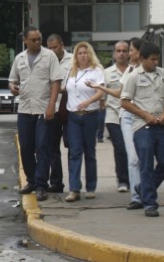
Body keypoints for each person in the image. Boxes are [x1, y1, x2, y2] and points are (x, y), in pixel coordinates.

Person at [120, 41, 164, 218]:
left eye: (157, 59)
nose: (155, 62)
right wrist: (145, 114)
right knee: (145, 165)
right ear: (143, 58)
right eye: (152, 59)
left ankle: (142, 188)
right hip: (142, 126)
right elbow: (124, 102)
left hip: (162, 125)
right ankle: (150, 203)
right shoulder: (133, 77)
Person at [9, 25, 64, 202]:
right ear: (25, 40)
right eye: (33, 40)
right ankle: (31, 181)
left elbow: (56, 82)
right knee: (25, 147)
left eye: (39, 39)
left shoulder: (49, 57)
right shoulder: (19, 58)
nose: (37, 42)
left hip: (43, 109)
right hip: (25, 108)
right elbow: (12, 80)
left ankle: (41, 185)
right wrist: (13, 88)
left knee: (43, 147)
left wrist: (51, 106)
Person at [63, 41, 104, 202]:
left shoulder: (96, 71)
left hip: (90, 115)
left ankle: (91, 187)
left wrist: (88, 101)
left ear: (90, 54)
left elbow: (100, 92)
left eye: (85, 53)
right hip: (73, 115)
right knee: (74, 152)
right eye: (79, 53)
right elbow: (65, 88)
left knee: (90, 152)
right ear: (76, 56)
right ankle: (74, 189)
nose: (82, 56)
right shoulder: (71, 72)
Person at [89, 40, 130, 193]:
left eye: (124, 51)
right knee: (120, 148)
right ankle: (123, 180)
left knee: (133, 149)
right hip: (114, 115)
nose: (121, 54)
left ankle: (135, 178)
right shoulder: (106, 73)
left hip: (133, 115)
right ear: (114, 53)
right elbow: (101, 95)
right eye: (118, 51)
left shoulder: (134, 71)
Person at [46, 33, 72, 193]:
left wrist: (63, 89)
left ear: (62, 45)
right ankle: (56, 183)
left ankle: (74, 183)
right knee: (52, 147)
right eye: (49, 48)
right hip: (53, 108)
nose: (52, 50)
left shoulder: (73, 60)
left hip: (70, 108)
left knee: (72, 146)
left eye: (55, 47)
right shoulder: (46, 61)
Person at [119, 37, 143, 209]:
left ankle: (146, 191)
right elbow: (120, 94)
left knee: (146, 158)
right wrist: (100, 89)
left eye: (131, 50)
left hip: (144, 117)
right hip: (127, 116)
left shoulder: (148, 70)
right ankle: (136, 196)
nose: (128, 53)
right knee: (133, 158)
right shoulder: (128, 70)